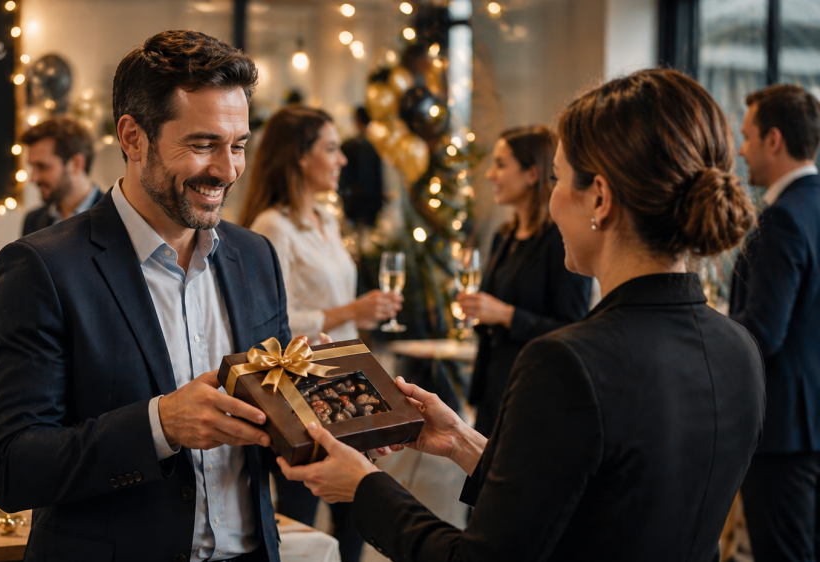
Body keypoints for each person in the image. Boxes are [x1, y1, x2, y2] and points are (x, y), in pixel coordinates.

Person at [277, 68, 765, 561]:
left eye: (556, 177)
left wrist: (366, 487)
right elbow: (601, 504)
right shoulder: (738, 348)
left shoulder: (568, 362)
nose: (552, 200)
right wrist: (463, 444)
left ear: (600, 197)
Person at [0, 31, 284, 562]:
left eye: (237, 146)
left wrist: (321, 406)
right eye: (202, 144)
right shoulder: (42, 267)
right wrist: (160, 425)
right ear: (133, 137)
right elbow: (12, 467)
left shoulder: (256, 256)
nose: (228, 170)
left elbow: (269, 425)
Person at [237, 106, 403, 562]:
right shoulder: (272, 225)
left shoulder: (328, 220)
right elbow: (272, 322)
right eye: (330, 148)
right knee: (304, 507)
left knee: (358, 505)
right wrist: (351, 310)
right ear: (298, 158)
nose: (342, 159)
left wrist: (359, 316)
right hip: (304, 388)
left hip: (347, 378)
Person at [730, 84, 820, 562]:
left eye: (746, 136)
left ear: (774, 139)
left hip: (786, 428)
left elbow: (762, 333)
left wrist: (711, 333)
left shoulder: (782, 219)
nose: (741, 150)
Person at [457, 125, 591, 436]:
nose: (490, 175)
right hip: (493, 389)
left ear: (532, 174)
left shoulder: (560, 243)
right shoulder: (504, 236)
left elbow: (573, 329)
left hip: (535, 393)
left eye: (501, 165)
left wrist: (505, 315)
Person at [20, 115, 103, 236]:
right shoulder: (33, 220)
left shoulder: (115, 218)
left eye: (42, 166)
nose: (33, 178)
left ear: (76, 164)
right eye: (32, 167)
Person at [338, 107, 385, 228]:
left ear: (357, 120)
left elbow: (344, 178)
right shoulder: (377, 146)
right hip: (371, 204)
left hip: (354, 204)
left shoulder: (350, 146)